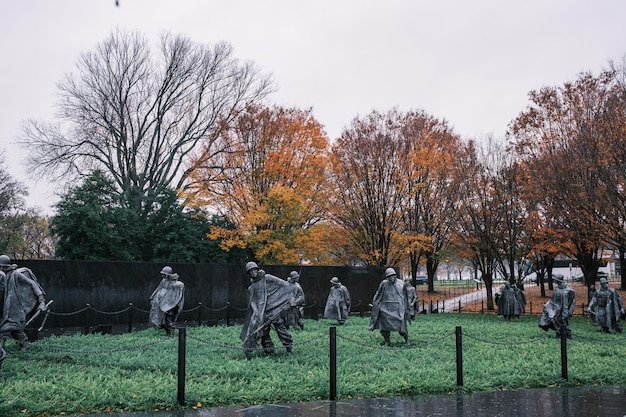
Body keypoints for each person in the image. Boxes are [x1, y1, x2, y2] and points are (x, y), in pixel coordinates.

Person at [240, 262, 294, 356]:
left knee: (281, 329)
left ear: (257, 269)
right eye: (250, 271)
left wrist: (287, 300)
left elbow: (284, 285)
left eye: (254, 270)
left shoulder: (267, 278)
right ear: (248, 274)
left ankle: (289, 348)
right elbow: (253, 303)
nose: (253, 272)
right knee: (264, 333)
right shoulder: (252, 287)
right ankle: (269, 351)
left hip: (274, 310)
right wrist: (256, 316)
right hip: (263, 313)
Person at [0, 255, 48, 352]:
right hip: (5, 306)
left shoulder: (15, 274)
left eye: (1, 267)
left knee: (16, 329)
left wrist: (42, 301)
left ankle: (24, 345)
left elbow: (32, 284)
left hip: (14, 307)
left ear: (5, 266)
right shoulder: (2, 276)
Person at [369, 268, 410, 346]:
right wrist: (375, 302)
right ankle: (387, 340)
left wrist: (406, 308)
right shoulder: (384, 283)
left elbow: (406, 297)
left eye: (392, 276)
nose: (391, 278)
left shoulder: (401, 284)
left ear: (395, 275)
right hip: (386, 308)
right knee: (384, 326)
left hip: (398, 308)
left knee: (401, 327)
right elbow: (378, 293)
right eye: (389, 276)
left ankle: (407, 339)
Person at [149, 266, 185, 336]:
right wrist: (152, 296)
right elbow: (159, 288)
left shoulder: (175, 283)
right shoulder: (164, 281)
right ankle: (167, 332)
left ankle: (171, 333)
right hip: (163, 302)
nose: (162, 275)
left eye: (164, 274)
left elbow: (177, 291)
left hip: (171, 304)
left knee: (169, 318)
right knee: (164, 318)